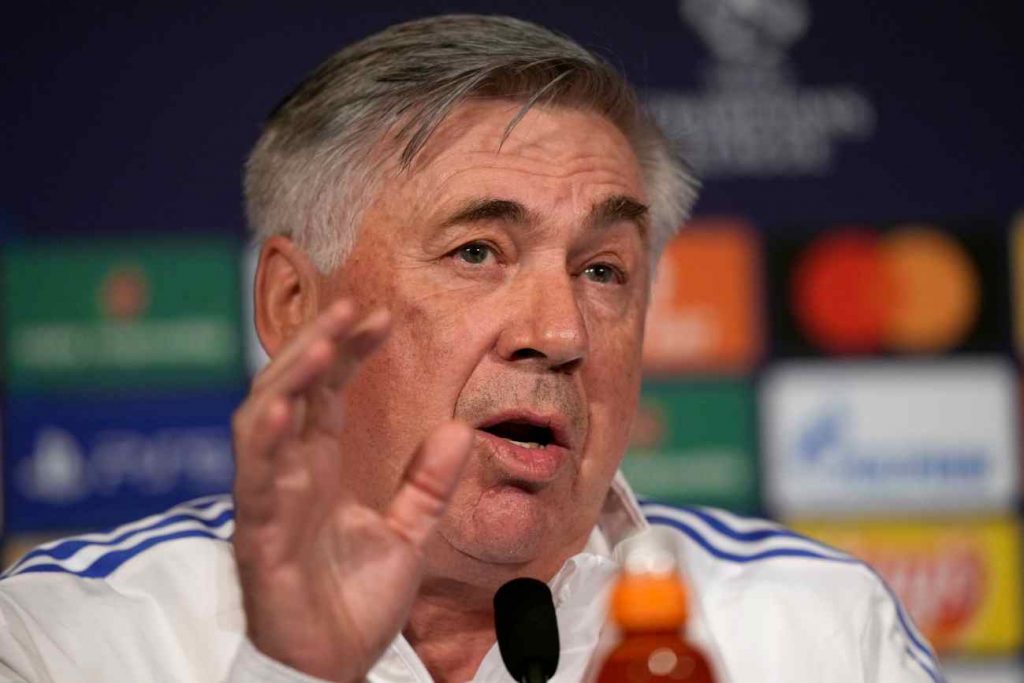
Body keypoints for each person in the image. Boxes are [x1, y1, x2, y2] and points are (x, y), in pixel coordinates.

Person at [0, 14, 942, 683]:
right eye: (478, 252)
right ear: (294, 306)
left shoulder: (817, 632)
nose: (561, 333)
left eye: (603, 269)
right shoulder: (65, 640)